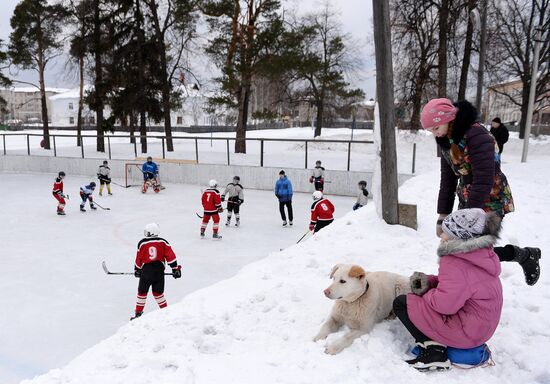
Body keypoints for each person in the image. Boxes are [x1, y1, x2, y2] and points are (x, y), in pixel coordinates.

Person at [421, 98, 541, 285]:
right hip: (468, 198)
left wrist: (468, 220)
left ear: (448, 119)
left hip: (490, 197)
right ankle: (524, 256)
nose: (434, 134)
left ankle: (524, 256)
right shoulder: (446, 141)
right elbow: (447, 182)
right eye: (431, 131)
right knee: (466, 250)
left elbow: (484, 179)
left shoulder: (477, 135)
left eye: (436, 128)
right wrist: (442, 216)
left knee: (474, 251)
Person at [393, 208, 503, 371]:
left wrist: (425, 293)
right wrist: (429, 282)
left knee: (403, 303)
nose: (441, 236)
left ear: (460, 236)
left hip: (467, 333)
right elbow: (458, 286)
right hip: (482, 330)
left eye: (446, 232)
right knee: (419, 302)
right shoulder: (481, 255)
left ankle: (434, 351)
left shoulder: (455, 262)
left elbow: (444, 305)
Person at [132, 223, 181, 320]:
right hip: (159, 271)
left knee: (142, 293)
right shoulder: (163, 242)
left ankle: (138, 314)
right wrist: (175, 269)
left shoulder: (142, 243)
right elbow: (171, 256)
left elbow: (139, 258)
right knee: (158, 293)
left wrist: (137, 269)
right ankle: (165, 312)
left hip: (146, 271)